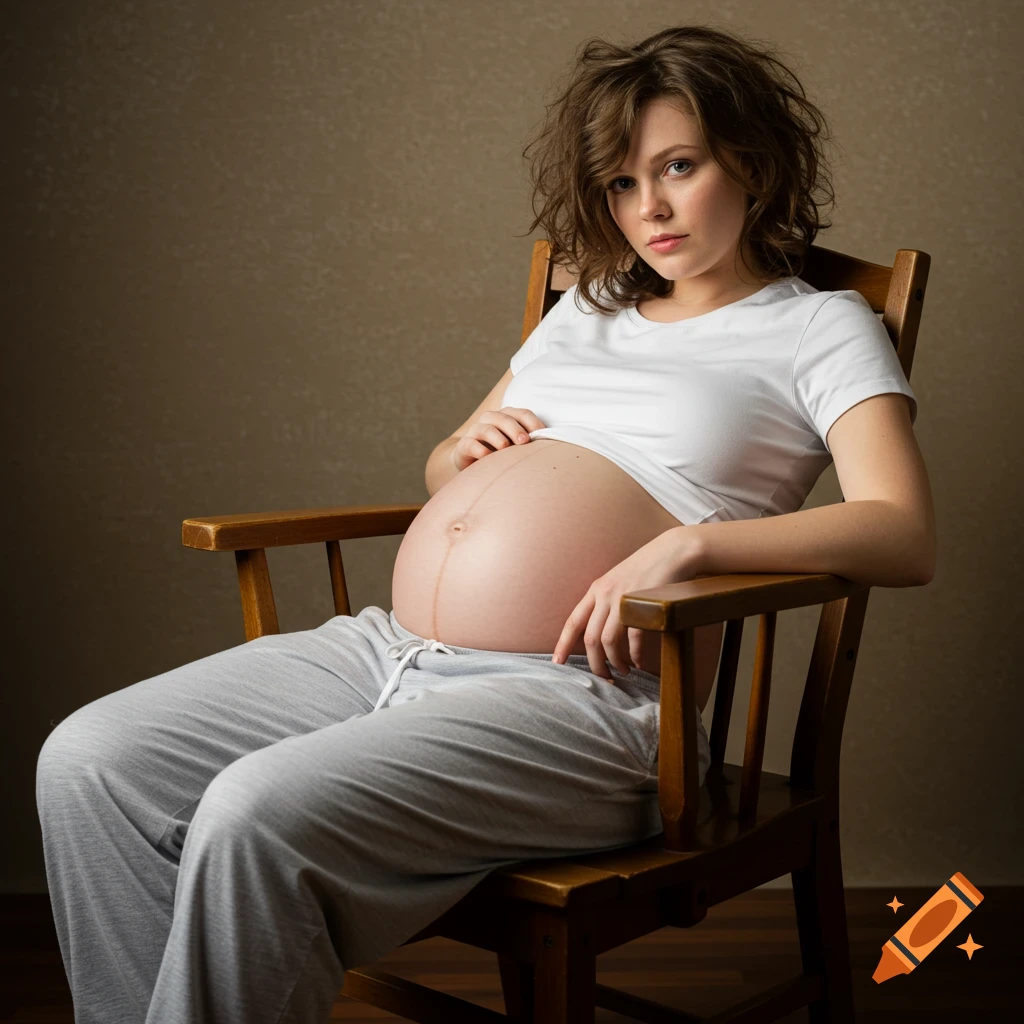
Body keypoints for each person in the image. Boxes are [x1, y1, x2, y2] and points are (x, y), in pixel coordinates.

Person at [35, 23, 930, 1024]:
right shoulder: (587, 305)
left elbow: (899, 531)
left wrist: (696, 539)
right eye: (623, 184)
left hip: (580, 701)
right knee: (89, 758)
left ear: (753, 163)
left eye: (679, 166)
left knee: (253, 815)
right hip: (388, 650)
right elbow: (444, 468)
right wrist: (460, 452)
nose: (652, 208)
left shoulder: (816, 326)